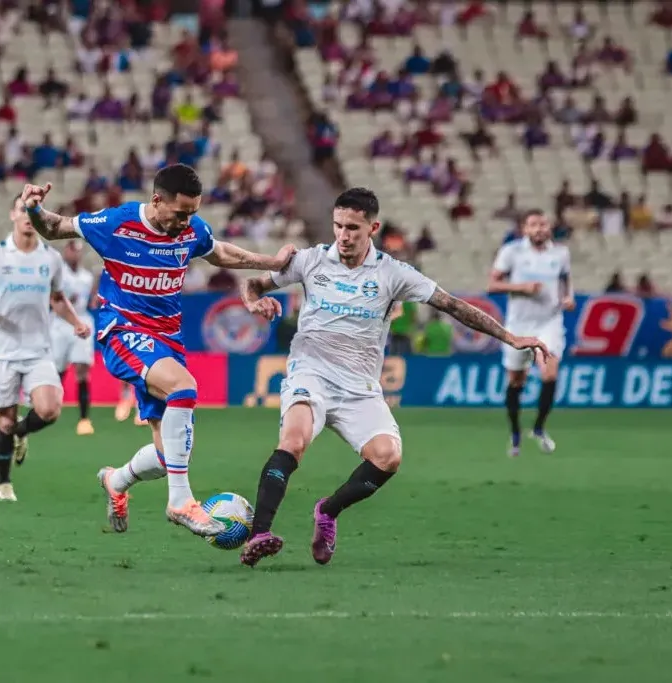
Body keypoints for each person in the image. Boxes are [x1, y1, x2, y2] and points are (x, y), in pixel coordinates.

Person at [237, 188, 550, 567]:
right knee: (294, 440)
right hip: (311, 373)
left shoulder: (393, 273)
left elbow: (452, 305)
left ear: (373, 227)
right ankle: (259, 535)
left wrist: (510, 337)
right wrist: (254, 301)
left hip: (361, 388)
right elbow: (254, 283)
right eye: (338, 226)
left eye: (353, 227)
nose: (343, 235)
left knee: (388, 458)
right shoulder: (310, 261)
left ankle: (328, 512)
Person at [18, 163, 295, 537]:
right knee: (184, 388)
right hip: (124, 331)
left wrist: (271, 263)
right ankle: (180, 502)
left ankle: (116, 481)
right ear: (156, 201)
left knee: (170, 455)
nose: (187, 221)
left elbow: (219, 252)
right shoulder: (117, 223)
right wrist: (34, 209)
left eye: (193, 213)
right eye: (181, 213)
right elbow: (55, 227)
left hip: (167, 340)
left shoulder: (191, 229)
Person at [0, 196, 90, 502]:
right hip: (2, 350)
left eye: (32, 211)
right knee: (4, 419)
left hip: (38, 350)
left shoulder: (50, 258)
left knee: (50, 409)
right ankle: (3, 483)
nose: (28, 217)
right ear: (12, 215)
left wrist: (75, 322)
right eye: (22, 210)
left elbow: (57, 298)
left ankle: (20, 433)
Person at [488, 210, 575, 457]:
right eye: (533, 225)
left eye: (543, 224)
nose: (539, 228)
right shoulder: (512, 252)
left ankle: (538, 428)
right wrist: (522, 287)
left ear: (549, 227)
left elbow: (566, 279)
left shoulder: (560, 253)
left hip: (550, 322)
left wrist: (569, 297)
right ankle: (515, 432)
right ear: (525, 229)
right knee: (516, 380)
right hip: (518, 326)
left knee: (549, 373)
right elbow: (492, 285)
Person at [51, 240, 98, 436]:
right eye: (73, 251)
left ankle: (84, 418)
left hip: (82, 321)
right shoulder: (59, 274)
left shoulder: (87, 277)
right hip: (60, 324)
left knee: (82, 369)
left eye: (79, 252)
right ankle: (51, 407)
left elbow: (91, 301)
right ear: (66, 251)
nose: (75, 255)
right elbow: (51, 298)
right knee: (58, 369)